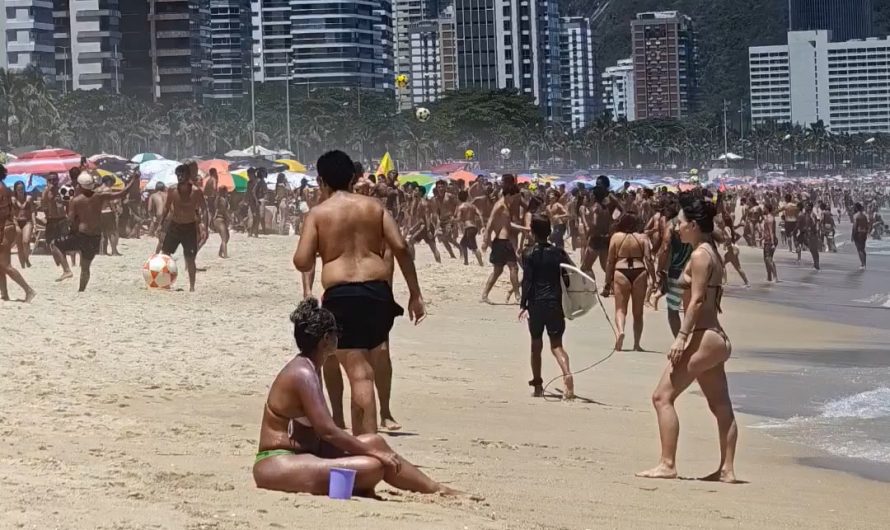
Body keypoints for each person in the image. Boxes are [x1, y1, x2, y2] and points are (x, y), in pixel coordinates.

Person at [252, 298, 458, 496]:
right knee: (373, 465)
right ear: (326, 339)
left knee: (375, 442)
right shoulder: (302, 373)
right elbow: (327, 431)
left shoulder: (310, 368)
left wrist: (373, 449)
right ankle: (373, 482)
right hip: (277, 461)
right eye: (336, 333)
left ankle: (436, 488)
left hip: (304, 455)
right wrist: (374, 454)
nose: (338, 338)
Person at [293, 150, 425, 436]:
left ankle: (364, 444)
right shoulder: (374, 207)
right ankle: (368, 440)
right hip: (378, 294)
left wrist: (323, 244)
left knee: (359, 375)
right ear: (353, 177)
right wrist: (415, 294)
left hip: (342, 296)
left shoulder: (318, 214)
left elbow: (302, 261)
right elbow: (401, 247)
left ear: (321, 181)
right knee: (368, 367)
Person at [637, 196, 737, 483]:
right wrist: (661, 293)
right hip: (715, 337)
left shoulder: (700, 255)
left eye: (680, 223)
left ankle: (667, 464)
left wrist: (681, 337)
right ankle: (727, 470)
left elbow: (695, 301)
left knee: (661, 397)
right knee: (720, 405)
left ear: (693, 225)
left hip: (703, 336)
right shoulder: (710, 251)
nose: (676, 228)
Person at [52, 169, 139, 291]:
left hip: (81, 235)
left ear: (79, 186)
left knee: (55, 244)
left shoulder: (76, 201)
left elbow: (70, 220)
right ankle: (81, 290)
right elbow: (122, 193)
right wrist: (133, 180)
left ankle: (67, 270)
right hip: (95, 237)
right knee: (85, 267)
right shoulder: (99, 196)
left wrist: (63, 207)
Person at [519, 215, 575, 399]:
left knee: (536, 344)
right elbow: (571, 274)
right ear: (550, 231)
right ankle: (567, 374)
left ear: (533, 232)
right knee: (557, 345)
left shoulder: (528, 253)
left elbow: (527, 281)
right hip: (555, 303)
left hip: (536, 303)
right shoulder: (559, 253)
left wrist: (522, 304)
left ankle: (537, 385)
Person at [607, 211, 653, 352]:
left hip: (621, 271)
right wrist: (654, 279)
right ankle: (637, 344)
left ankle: (620, 331)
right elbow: (648, 259)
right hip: (639, 271)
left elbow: (610, 261)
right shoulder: (643, 237)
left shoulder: (616, 237)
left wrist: (607, 282)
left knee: (620, 309)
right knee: (638, 313)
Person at [160, 164, 207, 292]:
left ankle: (192, 287)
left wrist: (205, 226)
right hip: (175, 226)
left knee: (190, 258)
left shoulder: (196, 192)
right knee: (165, 254)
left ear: (188, 176)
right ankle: (164, 282)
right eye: (178, 175)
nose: (180, 177)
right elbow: (166, 207)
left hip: (190, 227)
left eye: (182, 174)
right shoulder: (172, 190)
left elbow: (204, 208)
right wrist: (161, 223)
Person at [0, 164, 36, 302]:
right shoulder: (5, 188)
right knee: (1, 265)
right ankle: (4, 294)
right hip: (7, 227)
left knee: (6, 265)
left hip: (4, 228)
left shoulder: (1, 189)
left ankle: (29, 290)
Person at [481, 183, 522, 304]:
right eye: (514, 196)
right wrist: (485, 240)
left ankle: (484, 295)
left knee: (498, 271)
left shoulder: (505, 206)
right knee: (513, 268)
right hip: (502, 242)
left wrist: (524, 229)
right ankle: (518, 296)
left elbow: (507, 224)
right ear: (508, 195)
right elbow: (490, 222)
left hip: (503, 242)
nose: (514, 199)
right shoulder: (499, 205)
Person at [42, 172, 69, 267]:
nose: (52, 182)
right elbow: (43, 205)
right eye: (50, 180)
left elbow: (69, 204)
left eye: (54, 179)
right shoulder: (45, 191)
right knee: (49, 243)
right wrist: (47, 192)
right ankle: (59, 259)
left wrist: (61, 201)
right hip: (51, 220)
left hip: (61, 219)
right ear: (47, 181)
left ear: (58, 180)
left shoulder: (63, 190)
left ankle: (65, 265)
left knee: (62, 243)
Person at [455, 189, 484, 266]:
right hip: (474, 227)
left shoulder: (461, 207)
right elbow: (480, 214)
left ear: (458, 198)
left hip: (469, 228)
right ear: (467, 197)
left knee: (474, 247)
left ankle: (481, 263)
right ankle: (466, 262)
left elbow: (459, 219)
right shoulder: (473, 206)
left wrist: (452, 220)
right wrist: (483, 225)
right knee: (463, 244)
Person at [11, 181, 35, 268]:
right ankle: (23, 265)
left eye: (22, 188)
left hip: (27, 221)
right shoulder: (13, 199)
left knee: (26, 241)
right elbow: (11, 213)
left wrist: (34, 223)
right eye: (19, 189)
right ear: (15, 190)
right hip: (16, 221)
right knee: (19, 244)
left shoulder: (29, 198)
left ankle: (26, 258)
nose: (21, 190)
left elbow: (32, 211)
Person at [97, 175, 122, 256]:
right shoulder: (108, 189)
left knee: (103, 233)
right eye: (111, 182)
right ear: (108, 181)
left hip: (99, 212)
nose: (112, 184)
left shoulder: (97, 190)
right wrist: (115, 211)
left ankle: (102, 251)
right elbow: (110, 202)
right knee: (112, 232)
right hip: (107, 211)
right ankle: (114, 251)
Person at [762, 203, 779, 282]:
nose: (763, 209)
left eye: (764, 208)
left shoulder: (770, 219)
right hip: (767, 240)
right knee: (766, 259)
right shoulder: (767, 218)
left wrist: (772, 243)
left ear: (767, 209)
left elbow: (771, 232)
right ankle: (769, 277)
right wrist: (761, 238)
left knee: (768, 259)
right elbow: (766, 231)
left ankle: (775, 277)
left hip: (770, 241)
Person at [213, 187, 231, 258]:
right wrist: (229, 218)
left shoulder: (218, 199)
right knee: (224, 238)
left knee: (226, 237)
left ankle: (220, 253)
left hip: (217, 220)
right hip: (221, 220)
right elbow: (224, 211)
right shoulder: (223, 200)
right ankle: (225, 255)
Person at [852, 202, 869, 269]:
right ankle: (864, 263)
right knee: (863, 249)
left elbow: (855, 226)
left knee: (859, 249)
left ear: (856, 208)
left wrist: (853, 235)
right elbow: (867, 225)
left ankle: (863, 264)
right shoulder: (864, 216)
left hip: (858, 234)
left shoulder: (856, 216)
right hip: (864, 233)